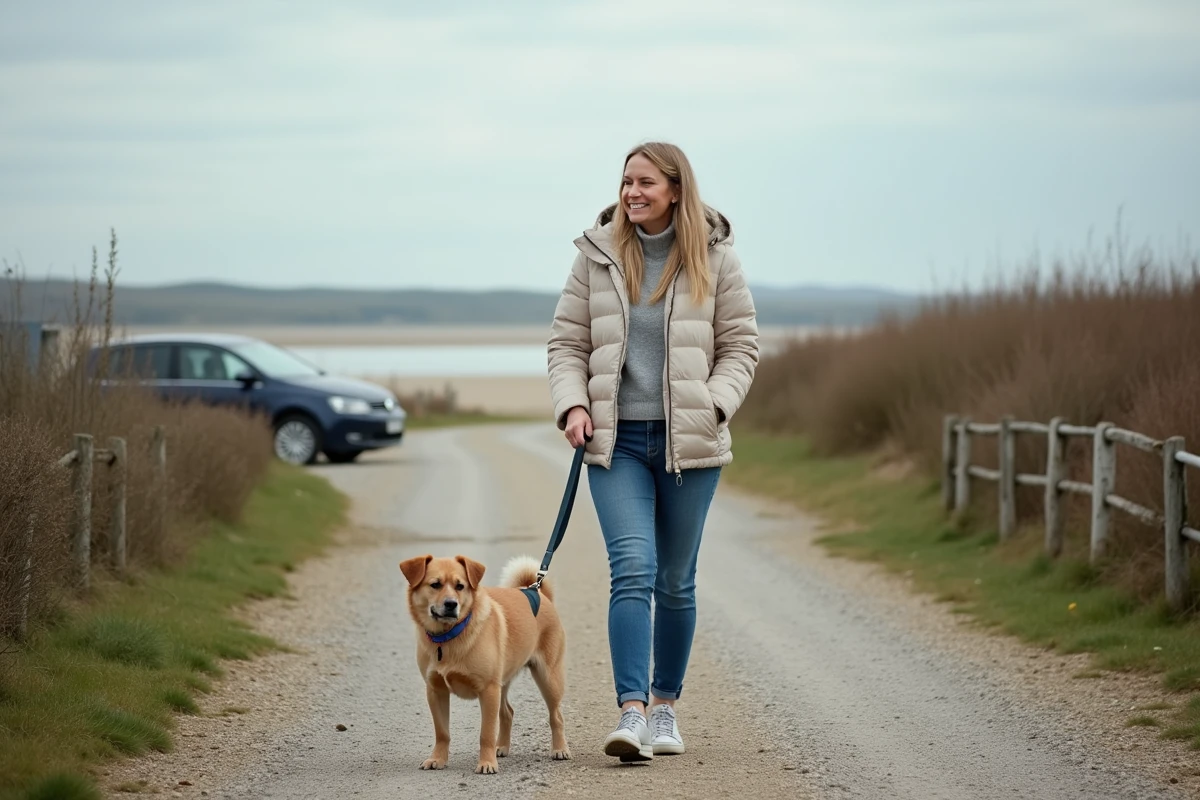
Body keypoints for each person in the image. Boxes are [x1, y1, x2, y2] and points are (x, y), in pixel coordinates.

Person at [546, 141, 759, 762]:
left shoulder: (716, 258)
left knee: (675, 580)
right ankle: (632, 711)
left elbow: (741, 346)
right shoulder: (597, 254)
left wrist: (713, 406)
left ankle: (666, 708)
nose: (631, 192)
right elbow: (566, 342)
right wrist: (574, 405)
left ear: (674, 189)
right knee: (632, 569)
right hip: (619, 444)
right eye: (625, 182)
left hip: (689, 443)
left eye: (643, 182)